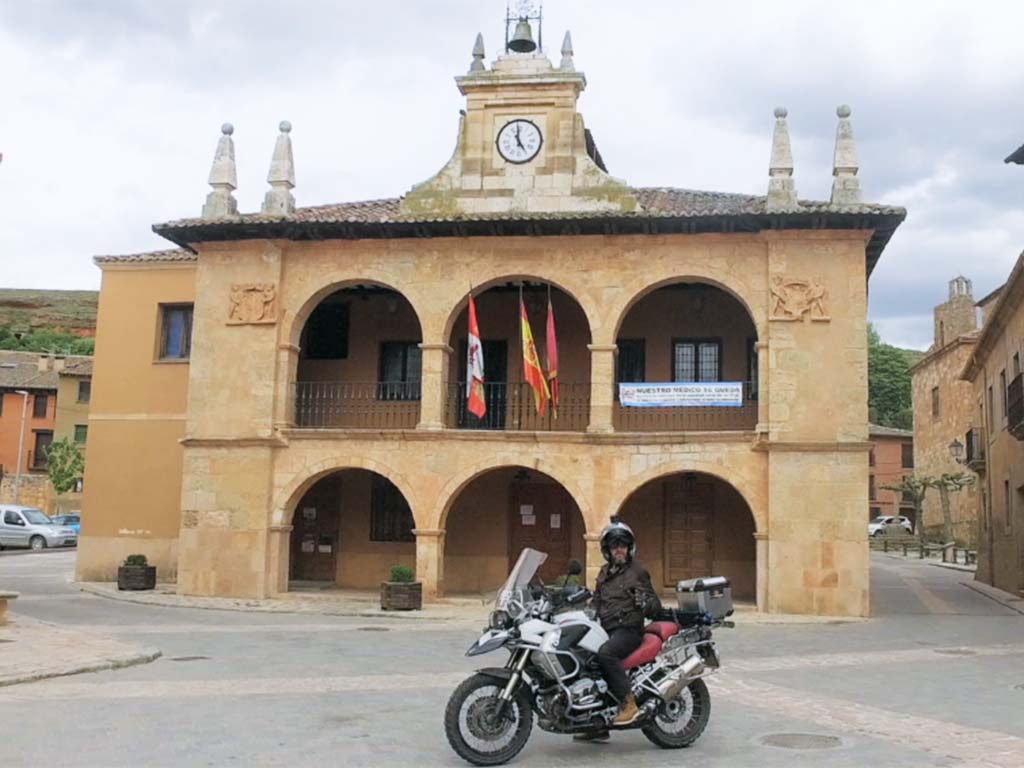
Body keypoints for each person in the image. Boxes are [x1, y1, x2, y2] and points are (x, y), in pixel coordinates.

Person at [575, 517, 661, 742]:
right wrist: (585, 612)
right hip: (606, 628)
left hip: (629, 630)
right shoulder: (604, 572)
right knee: (583, 658)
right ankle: (597, 723)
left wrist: (645, 603)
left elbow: (655, 606)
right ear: (608, 550)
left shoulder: (638, 571)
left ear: (629, 547)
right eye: (614, 546)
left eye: (622, 545)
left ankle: (629, 704)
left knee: (606, 654)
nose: (619, 549)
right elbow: (596, 601)